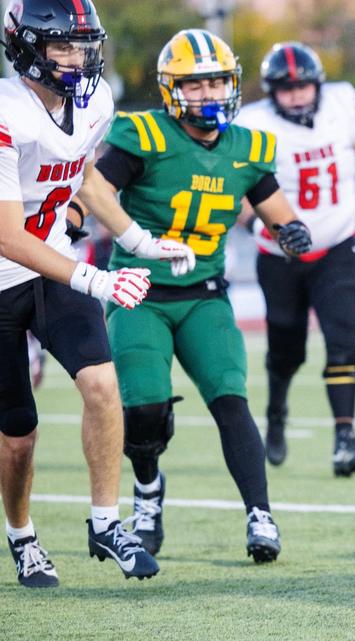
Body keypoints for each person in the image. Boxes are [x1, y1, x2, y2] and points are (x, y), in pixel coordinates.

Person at [80, 29, 313, 564]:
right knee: (143, 412)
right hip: (140, 293)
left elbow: (280, 213)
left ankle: (260, 513)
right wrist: (74, 221)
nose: (208, 94)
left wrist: (293, 232)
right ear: (171, 89)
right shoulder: (144, 135)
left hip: (205, 294)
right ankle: (147, 491)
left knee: (231, 401)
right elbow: (96, 188)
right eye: (195, 84)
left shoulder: (248, 148)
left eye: (216, 83)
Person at [0, 0, 172, 586]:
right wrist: (94, 277)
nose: (78, 57)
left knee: (101, 384)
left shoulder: (93, 102)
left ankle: (106, 523)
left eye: (83, 44)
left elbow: (85, 178)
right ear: (27, 47)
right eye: (63, 45)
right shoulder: (6, 113)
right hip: (6, 276)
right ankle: (21, 536)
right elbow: (6, 236)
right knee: (18, 437)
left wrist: (140, 240)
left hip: (54, 267)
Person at [232, 42, 355, 475]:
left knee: (344, 340)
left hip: (339, 247)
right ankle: (276, 412)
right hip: (280, 256)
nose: (296, 95)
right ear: (273, 91)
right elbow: (235, 196)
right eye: (286, 88)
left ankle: (345, 439)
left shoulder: (340, 107)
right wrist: (263, 226)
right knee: (287, 349)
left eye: (303, 86)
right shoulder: (254, 126)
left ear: (318, 84)